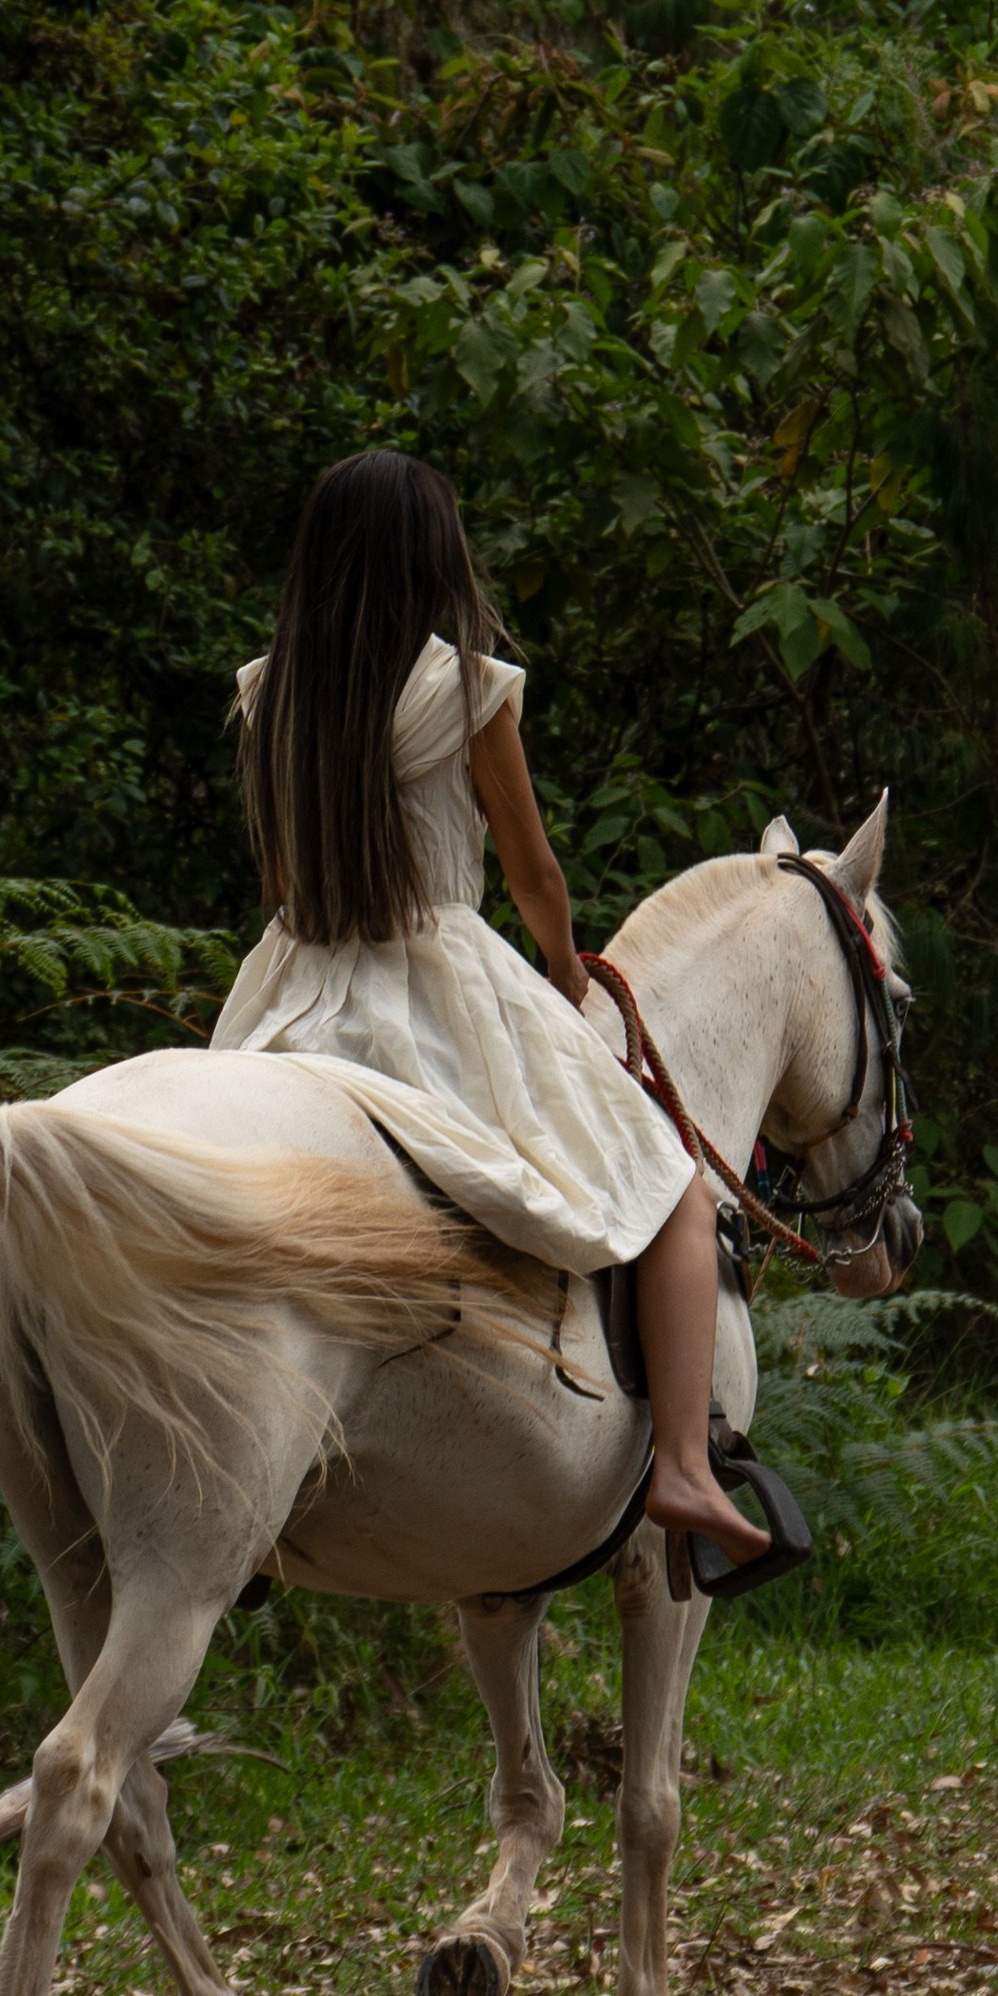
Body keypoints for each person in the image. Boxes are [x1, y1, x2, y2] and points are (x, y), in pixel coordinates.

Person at [211, 445, 769, 1577]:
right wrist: (563, 981)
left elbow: (276, 872)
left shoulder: (267, 689)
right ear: (431, 556)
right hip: (437, 981)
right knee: (670, 1188)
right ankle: (682, 1462)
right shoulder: (467, 687)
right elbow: (532, 875)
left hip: (290, 983)